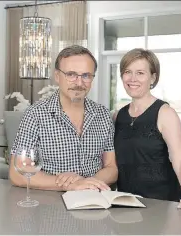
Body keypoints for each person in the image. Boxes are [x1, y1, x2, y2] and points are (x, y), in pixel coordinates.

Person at [9, 45, 117, 191]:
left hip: (94, 200)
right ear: (57, 76)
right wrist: (71, 185)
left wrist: (88, 183)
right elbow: (17, 173)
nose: (79, 83)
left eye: (86, 75)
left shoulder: (102, 114)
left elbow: (112, 168)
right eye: (71, 74)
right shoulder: (35, 114)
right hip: (51, 204)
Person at [113, 48, 181, 211]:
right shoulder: (118, 115)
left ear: (153, 77)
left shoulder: (165, 113)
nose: (132, 78)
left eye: (140, 73)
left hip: (162, 202)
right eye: (127, 72)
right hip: (126, 202)